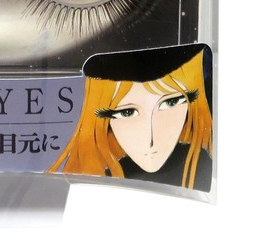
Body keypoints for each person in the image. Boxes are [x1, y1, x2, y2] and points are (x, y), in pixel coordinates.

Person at [49, 44, 212, 190]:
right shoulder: (96, 185)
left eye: (171, 102)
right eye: (127, 112)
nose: (150, 139)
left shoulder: (204, 167)